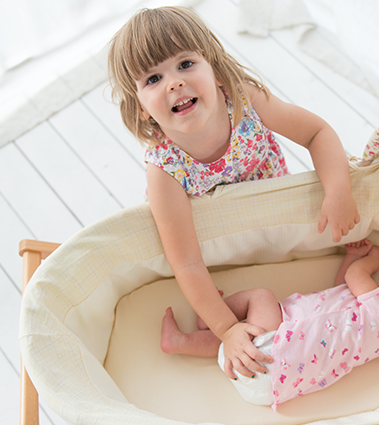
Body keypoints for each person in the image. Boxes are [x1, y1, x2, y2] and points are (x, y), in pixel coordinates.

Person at [107, 6, 360, 382]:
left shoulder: (243, 101)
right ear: (141, 107)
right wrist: (226, 328)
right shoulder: (164, 170)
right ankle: (195, 338)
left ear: (213, 67)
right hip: (221, 250)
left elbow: (317, 133)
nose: (174, 83)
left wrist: (338, 191)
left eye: (186, 64)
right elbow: (188, 263)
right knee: (249, 332)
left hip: (273, 216)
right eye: (154, 78)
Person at [160, 239, 379, 409]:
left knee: (260, 298)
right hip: (268, 390)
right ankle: (180, 343)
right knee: (241, 347)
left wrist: (372, 259)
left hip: (275, 349)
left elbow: (355, 278)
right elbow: (341, 290)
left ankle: (212, 317)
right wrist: (350, 257)